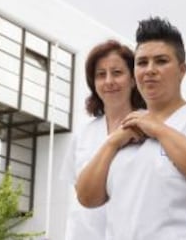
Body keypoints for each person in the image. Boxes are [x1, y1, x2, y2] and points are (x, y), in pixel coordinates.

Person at [76, 17, 186, 240]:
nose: (150, 70)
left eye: (161, 61)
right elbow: (87, 197)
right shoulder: (125, 132)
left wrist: (157, 128)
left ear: (182, 70)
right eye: (142, 63)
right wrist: (113, 142)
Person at [60, 40, 145, 240]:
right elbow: (80, 196)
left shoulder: (149, 125)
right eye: (101, 74)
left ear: (133, 80)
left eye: (117, 73)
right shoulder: (83, 134)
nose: (109, 81)